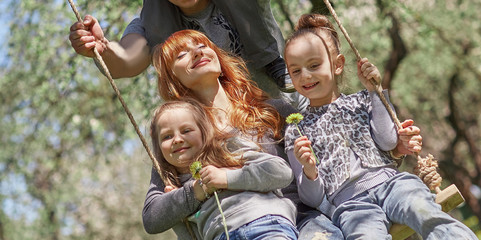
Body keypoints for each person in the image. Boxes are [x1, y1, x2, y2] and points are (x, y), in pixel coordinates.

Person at [283, 13, 478, 240]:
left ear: (337, 65)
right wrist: (309, 171)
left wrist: (375, 92)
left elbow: (387, 140)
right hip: (351, 206)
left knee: (424, 212)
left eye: (314, 65)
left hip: (391, 183)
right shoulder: (296, 130)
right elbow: (312, 199)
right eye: (295, 70)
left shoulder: (362, 101)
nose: (305, 75)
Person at [143, 29, 346, 239]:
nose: (197, 52)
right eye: (181, 54)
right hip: (236, 228)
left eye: (202, 46)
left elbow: (326, 145)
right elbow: (152, 216)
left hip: (303, 218)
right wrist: (193, 191)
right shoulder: (183, 141)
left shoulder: (271, 110)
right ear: (171, 78)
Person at [68, 0, 308, 109]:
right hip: (236, 132)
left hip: (289, 109)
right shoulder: (150, 24)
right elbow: (127, 60)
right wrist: (102, 47)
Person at [148, 98, 298, 239]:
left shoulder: (228, 148)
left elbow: (282, 172)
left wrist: (226, 178)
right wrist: (180, 209)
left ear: (203, 132)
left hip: (264, 222)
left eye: (186, 131)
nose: (177, 139)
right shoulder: (177, 187)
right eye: (167, 136)